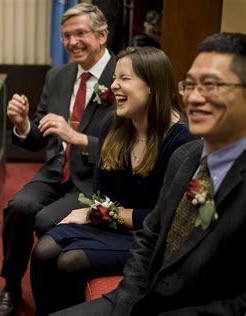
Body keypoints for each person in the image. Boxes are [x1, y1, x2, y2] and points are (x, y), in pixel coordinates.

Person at [52, 32, 246, 316]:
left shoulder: (180, 144)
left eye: (211, 85)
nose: (194, 97)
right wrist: (127, 305)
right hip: (142, 297)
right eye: (189, 85)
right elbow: (150, 240)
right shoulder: (188, 158)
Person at [30, 46, 196, 315]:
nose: (113, 86)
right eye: (114, 78)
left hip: (146, 240)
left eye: (124, 79)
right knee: (43, 250)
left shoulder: (182, 141)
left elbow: (166, 219)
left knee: (69, 261)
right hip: (109, 226)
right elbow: (100, 193)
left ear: (153, 85)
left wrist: (99, 214)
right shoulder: (114, 123)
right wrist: (100, 212)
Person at [0, 3, 116, 315]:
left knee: (47, 220)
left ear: (102, 35)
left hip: (93, 179)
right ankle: (11, 284)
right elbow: (38, 140)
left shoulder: (121, 76)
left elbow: (126, 148)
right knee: (19, 207)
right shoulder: (58, 76)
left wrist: (78, 138)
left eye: (80, 34)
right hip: (54, 170)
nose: (72, 42)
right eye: (66, 36)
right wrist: (22, 124)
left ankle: (58, 297)